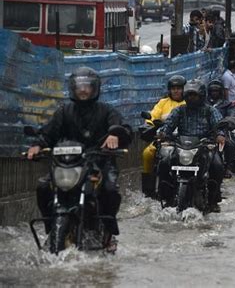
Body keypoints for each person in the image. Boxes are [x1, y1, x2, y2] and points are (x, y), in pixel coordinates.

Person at [27, 67, 131, 251]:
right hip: (67, 164)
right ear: (73, 89)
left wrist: (115, 134)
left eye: (87, 87)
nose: (83, 90)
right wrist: (37, 145)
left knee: (110, 189)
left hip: (98, 163)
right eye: (79, 87)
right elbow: (48, 133)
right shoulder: (64, 111)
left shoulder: (106, 110)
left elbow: (121, 127)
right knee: (43, 186)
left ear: (94, 88)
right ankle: (51, 227)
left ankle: (109, 232)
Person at [158, 79, 225, 212]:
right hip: (182, 146)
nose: (191, 98)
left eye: (194, 95)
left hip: (204, 146)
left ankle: (213, 200)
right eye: (189, 95)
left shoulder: (210, 111)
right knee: (164, 162)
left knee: (217, 166)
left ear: (201, 96)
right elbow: (168, 125)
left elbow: (219, 124)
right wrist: (163, 134)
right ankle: (166, 196)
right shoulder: (179, 110)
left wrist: (220, 134)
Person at [141, 75, 186, 198]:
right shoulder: (163, 103)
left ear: (183, 89)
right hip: (164, 139)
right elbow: (153, 116)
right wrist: (148, 126)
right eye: (173, 88)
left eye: (178, 88)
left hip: (185, 141)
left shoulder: (189, 103)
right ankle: (148, 190)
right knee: (147, 153)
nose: (176, 91)